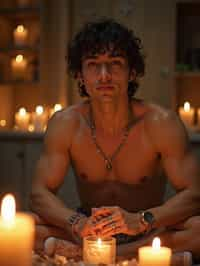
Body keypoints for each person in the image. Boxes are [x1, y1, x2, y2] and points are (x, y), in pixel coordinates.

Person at [30, 18, 200, 259]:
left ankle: (92, 256)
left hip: (146, 228)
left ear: (132, 72)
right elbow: (39, 193)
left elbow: (194, 194)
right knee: (25, 223)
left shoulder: (161, 122)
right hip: (88, 230)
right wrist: (76, 222)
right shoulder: (66, 123)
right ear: (80, 75)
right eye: (93, 64)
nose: (104, 75)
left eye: (115, 63)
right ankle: (136, 258)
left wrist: (142, 220)